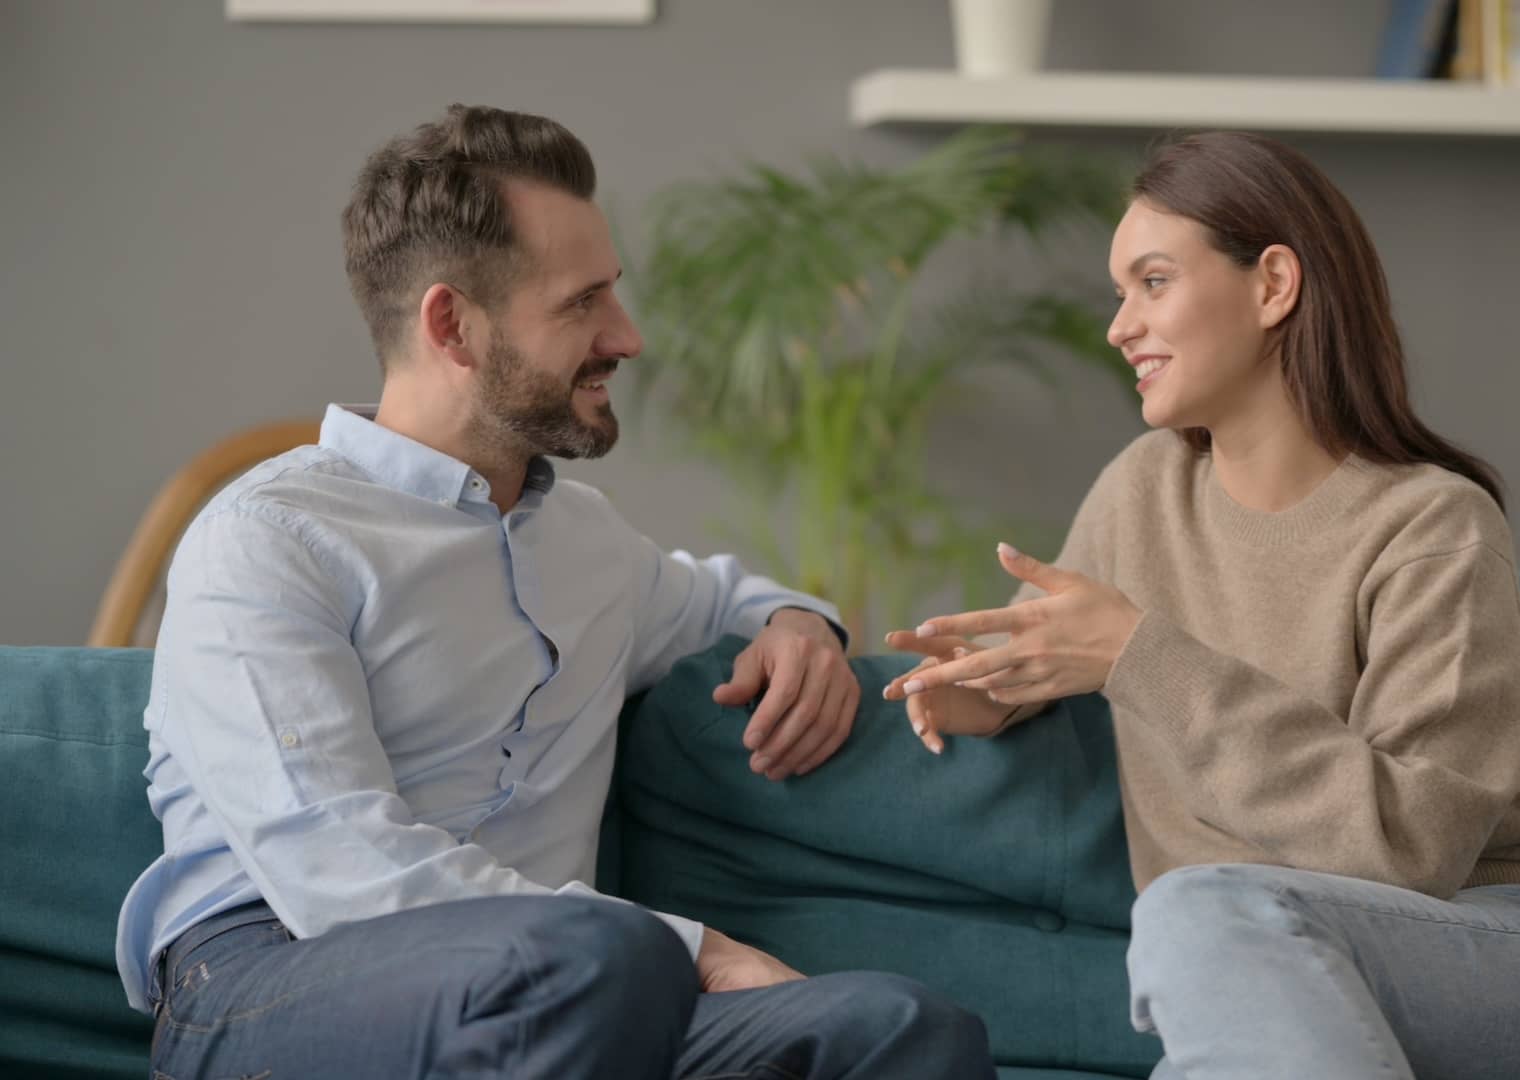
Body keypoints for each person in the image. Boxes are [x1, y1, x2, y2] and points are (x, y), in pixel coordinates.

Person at [115, 104, 993, 1080]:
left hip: (575, 1003)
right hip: (270, 984)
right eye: (583, 304)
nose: (628, 337)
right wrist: (694, 950)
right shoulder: (270, 542)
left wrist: (798, 625)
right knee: (599, 959)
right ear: (452, 324)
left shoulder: (589, 544)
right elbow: (338, 868)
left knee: (900, 1027)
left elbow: (724, 599)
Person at [883, 131, 1520, 1080]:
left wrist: (1142, 658)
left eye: (1153, 282)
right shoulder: (1143, 492)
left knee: (1200, 906)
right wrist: (977, 691)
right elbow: (1047, 646)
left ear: (1273, 285)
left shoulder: (1433, 524)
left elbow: (1414, 847)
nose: (1118, 326)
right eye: (1120, 292)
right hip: (1277, 972)